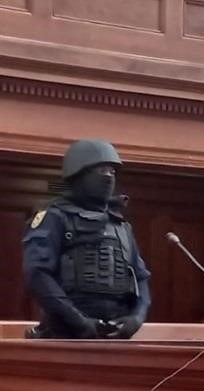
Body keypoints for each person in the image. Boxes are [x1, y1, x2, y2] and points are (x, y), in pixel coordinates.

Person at [22, 139, 151, 340]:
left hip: (116, 339)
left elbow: (140, 278)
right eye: (102, 170)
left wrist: (136, 319)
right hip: (64, 336)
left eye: (112, 171)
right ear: (79, 173)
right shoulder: (54, 217)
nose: (109, 176)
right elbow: (37, 274)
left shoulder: (121, 225)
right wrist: (80, 322)